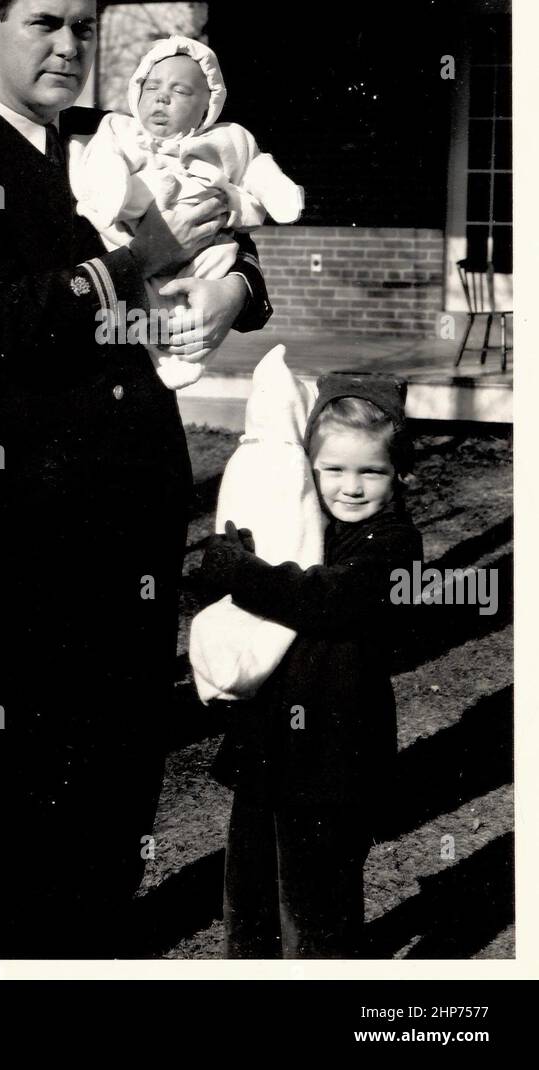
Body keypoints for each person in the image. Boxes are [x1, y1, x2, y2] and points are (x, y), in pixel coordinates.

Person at [0, 0, 273, 958]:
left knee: (123, 746)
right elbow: (14, 321)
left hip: (141, 481)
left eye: (83, 27)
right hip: (39, 498)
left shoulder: (117, 137)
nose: (66, 46)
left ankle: (102, 938)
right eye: (43, 22)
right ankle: (9, 947)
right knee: (37, 740)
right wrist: (143, 255)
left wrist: (233, 288)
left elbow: (230, 236)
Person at [199, 372, 423, 959]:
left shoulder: (396, 545)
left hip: (336, 758)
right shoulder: (299, 527)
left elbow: (325, 598)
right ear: (308, 468)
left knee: (316, 904)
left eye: (371, 471)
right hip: (268, 743)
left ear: (399, 473)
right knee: (248, 893)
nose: (351, 487)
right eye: (334, 469)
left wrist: (237, 572)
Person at [69, 34, 303, 389]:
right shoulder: (117, 131)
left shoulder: (228, 138)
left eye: (180, 91)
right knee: (152, 300)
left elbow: (254, 167)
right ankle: (164, 349)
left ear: (207, 107)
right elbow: (102, 164)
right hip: (126, 242)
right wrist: (145, 251)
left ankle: (182, 350)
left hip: (207, 247)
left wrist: (235, 292)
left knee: (210, 270)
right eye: (153, 87)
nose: (162, 97)